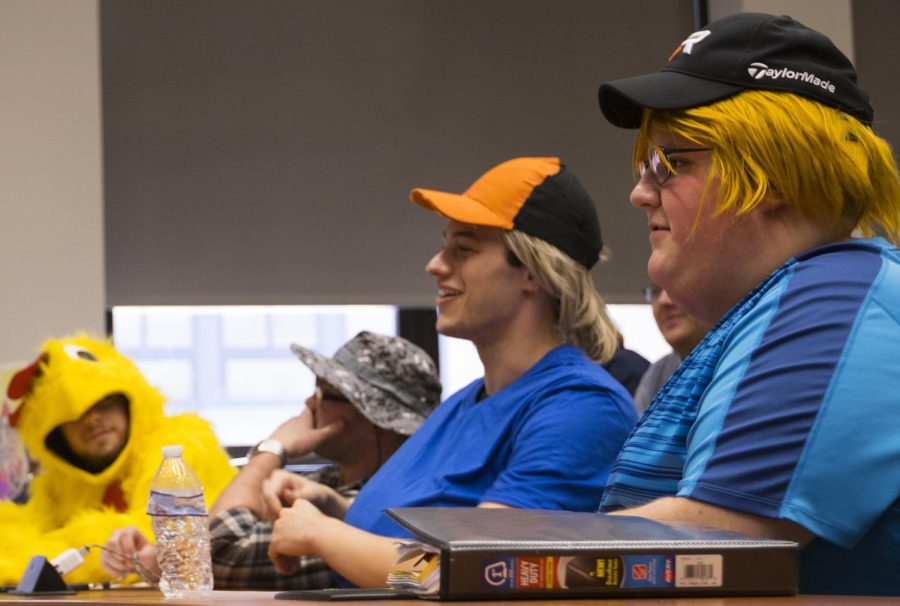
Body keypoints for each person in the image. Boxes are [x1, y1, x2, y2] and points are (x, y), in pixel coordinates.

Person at [596, 12, 900, 595]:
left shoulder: (835, 302)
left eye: (673, 164)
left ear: (778, 174)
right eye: (647, 166)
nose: (640, 193)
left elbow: (711, 551)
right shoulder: (802, 301)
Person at [264, 157, 637, 587]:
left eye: (464, 249)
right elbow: (431, 528)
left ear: (534, 271)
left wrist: (322, 534)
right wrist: (335, 507)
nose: (436, 265)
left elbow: (471, 571)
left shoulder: (580, 408)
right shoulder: (469, 401)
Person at [101, 331, 442, 590]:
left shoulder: (398, 502)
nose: (310, 402)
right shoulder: (324, 485)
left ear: (375, 419)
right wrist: (156, 555)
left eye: (326, 393)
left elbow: (218, 555)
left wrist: (272, 450)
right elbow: (202, 557)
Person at [0, 334, 236, 585]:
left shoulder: (180, 447)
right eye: (74, 416)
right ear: (55, 436)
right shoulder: (61, 483)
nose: (92, 420)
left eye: (104, 403)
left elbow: (157, 541)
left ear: (129, 401)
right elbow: (21, 530)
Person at [633, 284, 711, 413]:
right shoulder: (657, 373)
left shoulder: (743, 359)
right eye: (655, 291)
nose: (663, 301)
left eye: (679, 284)